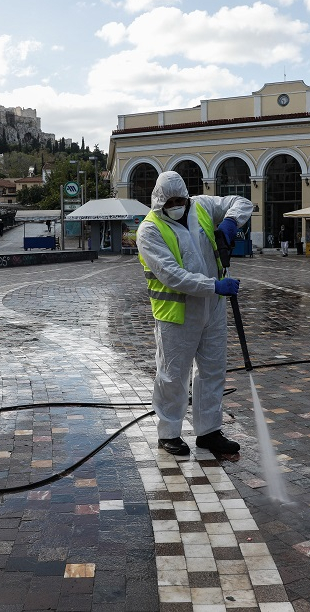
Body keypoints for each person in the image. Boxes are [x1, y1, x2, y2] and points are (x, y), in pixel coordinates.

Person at [136, 171, 253, 457]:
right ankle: (169, 433)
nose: (177, 205)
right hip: (176, 314)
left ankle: (209, 431)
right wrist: (214, 285)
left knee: (213, 371)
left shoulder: (200, 206)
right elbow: (172, 275)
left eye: (181, 200)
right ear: (159, 202)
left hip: (212, 308)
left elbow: (242, 202)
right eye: (170, 201)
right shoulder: (149, 231)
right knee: (173, 375)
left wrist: (229, 221)